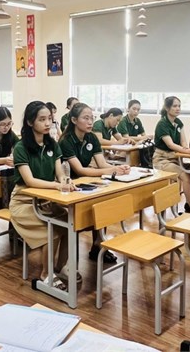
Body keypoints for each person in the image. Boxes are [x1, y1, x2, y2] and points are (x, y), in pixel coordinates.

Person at [9, 101, 73, 289]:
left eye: (49, 119)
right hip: (24, 201)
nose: (47, 123)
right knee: (50, 230)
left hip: (46, 199)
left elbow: (60, 172)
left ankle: (60, 267)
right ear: (30, 122)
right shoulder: (21, 147)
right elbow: (29, 181)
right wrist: (57, 186)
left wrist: (65, 181)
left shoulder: (52, 144)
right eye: (42, 119)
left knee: (70, 223)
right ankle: (46, 274)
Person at [59, 102, 130, 263]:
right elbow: (79, 170)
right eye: (86, 118)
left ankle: (98, 245)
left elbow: (102, 163)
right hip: (69, 184)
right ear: (74, 120)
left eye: (92, 118)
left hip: (85, 181)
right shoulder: (66, 141)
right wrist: (110, 171)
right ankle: (72, 257)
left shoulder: (91, 137)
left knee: (104, 200)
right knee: (94, 206)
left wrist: (118, 168)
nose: (90, 122)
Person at [152, 96, 190, 212]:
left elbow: (183, 142)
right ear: (167, 108)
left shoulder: (178, 122)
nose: (178, 108)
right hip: (162, 159)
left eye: (179, 106)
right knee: (185, 176)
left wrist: (189, 150)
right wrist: (187, 151)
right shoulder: (162, 124)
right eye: (175, 106)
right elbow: (170, 145)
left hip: (176, 158)